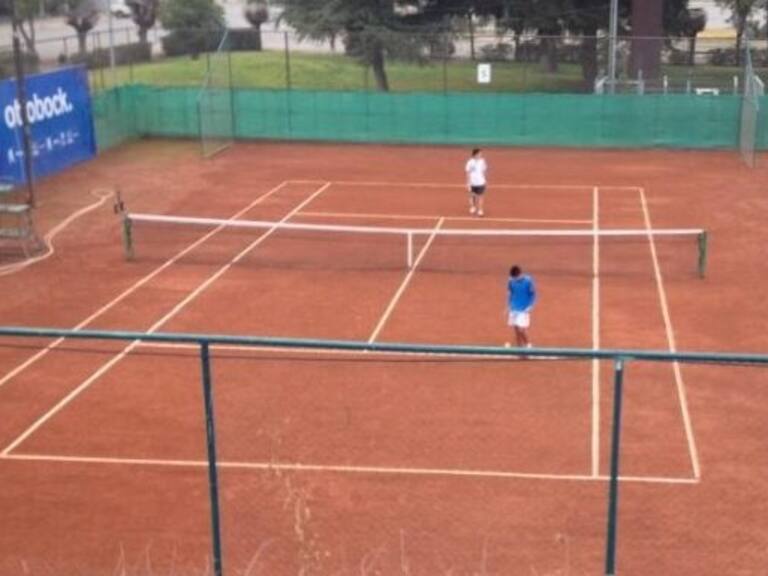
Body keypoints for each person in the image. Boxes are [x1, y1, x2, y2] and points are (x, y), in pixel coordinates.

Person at [506, 265, 536, 350]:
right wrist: (509, 304)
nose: (513, 279)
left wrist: (530, 306)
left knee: (521, 330)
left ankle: (528, 346)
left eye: (514, 277)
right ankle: (520, 351)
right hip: (514, 309)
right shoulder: (510, 281)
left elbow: (533, 294)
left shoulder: (528, 281)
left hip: (524, 310)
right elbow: (510, 292)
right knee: (516, 330)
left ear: (519, 274)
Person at [464, 148, 487, 217]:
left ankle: (480, 210)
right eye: (479, 153)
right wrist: (468, 183)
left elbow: (483, 171)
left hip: (480, 182)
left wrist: (484, 180)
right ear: (475, 154)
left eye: (481, 154)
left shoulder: (482, 161)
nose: (481, 155)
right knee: (472, 196)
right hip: (472, 183)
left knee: (480, 197)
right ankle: (473, 207)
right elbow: (467, 172)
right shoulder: (470, 162)